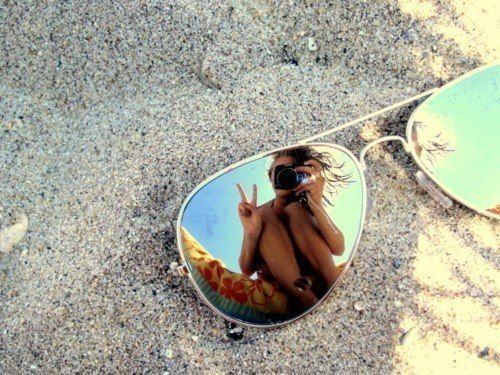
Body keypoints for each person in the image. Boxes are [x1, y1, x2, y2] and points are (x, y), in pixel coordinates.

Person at [236, 146, 349, 312]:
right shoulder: (258, 214)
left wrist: (316, 203)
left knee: (295, 210)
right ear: (271, 178)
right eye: (280, 171)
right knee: (264, 215)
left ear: (302, 175)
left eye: (292, 171)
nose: (286, 175)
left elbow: (338, 248)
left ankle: (336, 290)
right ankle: (308, 302)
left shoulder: (306, 207)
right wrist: (252, 233)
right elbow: (246, 269)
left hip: (319, 277)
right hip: (286, 285)